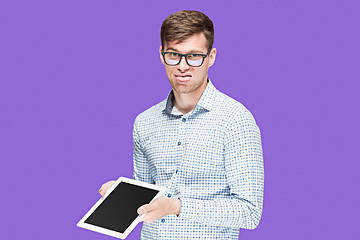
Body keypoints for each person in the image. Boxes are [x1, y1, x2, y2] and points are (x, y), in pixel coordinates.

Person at [99, 10, 264, 239]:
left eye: (194, 56)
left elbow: (250, 212)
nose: (183, 66)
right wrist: (121, 196)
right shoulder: (144, 122)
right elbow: (147, 201)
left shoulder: (236, 120)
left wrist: (178, 207)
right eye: (174, 55)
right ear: (161, 54)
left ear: (212, 56)